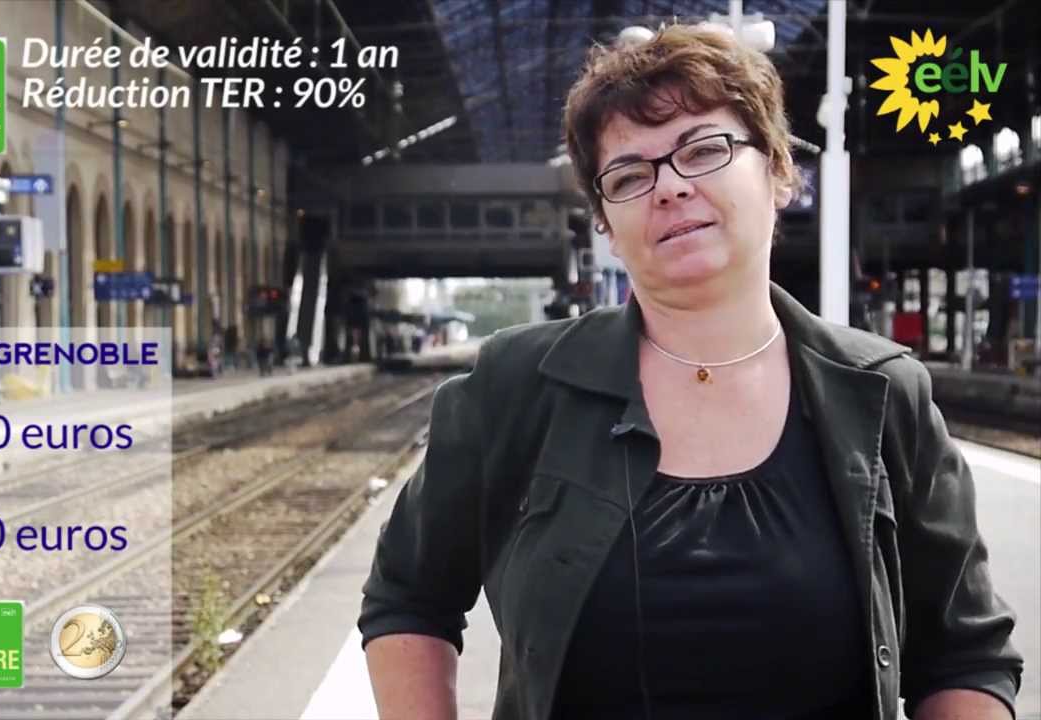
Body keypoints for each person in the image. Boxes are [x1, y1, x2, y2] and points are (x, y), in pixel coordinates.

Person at [359, 23, 1022, 720]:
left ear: (778, 171)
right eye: (629, 176)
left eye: (704, 150)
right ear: (606, 226)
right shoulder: (516, 387)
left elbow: (965, 654)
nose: (670, 188)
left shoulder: (883, 395)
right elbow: (409, 594)